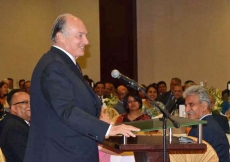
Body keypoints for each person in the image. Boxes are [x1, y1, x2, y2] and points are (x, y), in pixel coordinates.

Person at [23, 13, 139, 162]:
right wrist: (109, 129)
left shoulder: (65, 64)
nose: (86, 41)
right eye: (80, 35)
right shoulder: (54, 66)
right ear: (60, 37)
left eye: (86, 35)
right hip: (59, 154)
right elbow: (66, 110)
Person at [183, 85, 229, 162]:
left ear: (204, 106)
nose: (186, 109)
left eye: (191, 104)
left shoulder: (201, 130)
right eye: (186, 105)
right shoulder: (210, 124)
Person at [0, 89, 30, 162]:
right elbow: (26, 158)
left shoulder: (15, 122)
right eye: (25, 102)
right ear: (13, 108)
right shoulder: (15, 128)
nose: (30, 105)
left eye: (31, 102)